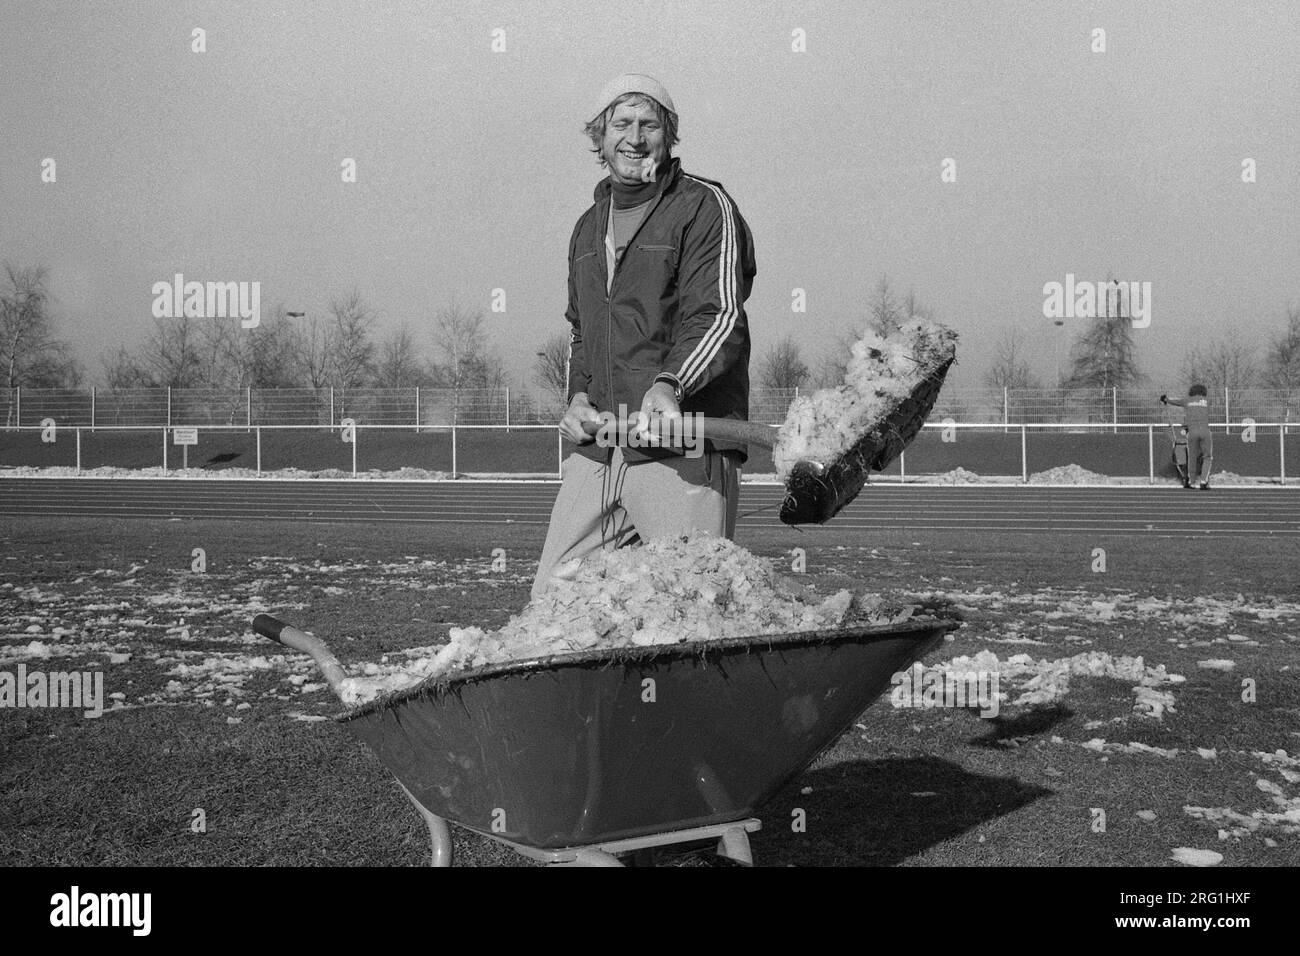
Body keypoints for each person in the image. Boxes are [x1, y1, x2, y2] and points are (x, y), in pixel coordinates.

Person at [532, 73, 757, 600]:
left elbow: (719, 313)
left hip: (682, 446)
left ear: (668, 135)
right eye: (621, 123)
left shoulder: (704, 207)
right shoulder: (587, 227)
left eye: (649, 124)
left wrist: (669, 385)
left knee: (690, 606)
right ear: (600, 137)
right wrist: (577, 397)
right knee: (555, 600)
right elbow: (581, 333)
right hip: (602, 447)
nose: (635, 137)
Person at [1161, 385, 1213, 489]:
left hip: (1192, 432)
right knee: (1207, 457)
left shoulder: (1187, 401)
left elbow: (1175, 402)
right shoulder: (1207, 401)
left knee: (1191, 457)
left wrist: (1166, 399)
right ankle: (1204, 481)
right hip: (1205, 431)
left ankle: (1191, 481)